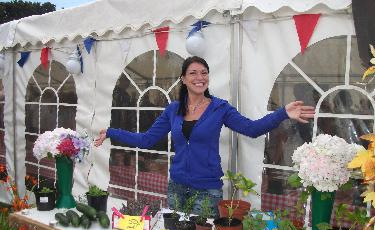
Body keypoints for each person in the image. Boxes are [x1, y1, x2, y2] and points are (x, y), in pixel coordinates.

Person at [94, 56, 315, 218]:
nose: (200, 77)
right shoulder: (173, 110)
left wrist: (282, 113)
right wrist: (112, 132)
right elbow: (146, 140)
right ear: (183, 79)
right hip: (177, 188)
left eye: (204, 73)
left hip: (207, 191)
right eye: (193, 73)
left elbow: (252, 129)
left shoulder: (220, 108)